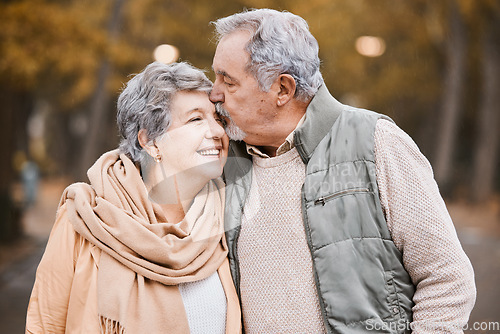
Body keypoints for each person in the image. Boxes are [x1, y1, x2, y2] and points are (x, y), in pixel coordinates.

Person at [210, 8, 476, 333]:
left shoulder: (376, 142)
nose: (214, 93)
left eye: (228, 80)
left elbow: (447, 278)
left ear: (283, 89)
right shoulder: (222, 160)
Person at [26, 61, 241, 334]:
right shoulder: (84, 218)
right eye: (196, 119)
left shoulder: (227, 218)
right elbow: (44, 326)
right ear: (150, 142)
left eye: (218, 119)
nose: (218, 132)